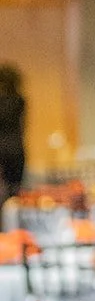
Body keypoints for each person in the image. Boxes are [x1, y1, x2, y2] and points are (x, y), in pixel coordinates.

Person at [0, 64, 26, 202]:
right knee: (14, 191)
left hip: (3, 149)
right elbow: (23, 127)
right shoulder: (19, 101)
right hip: (16, 149)